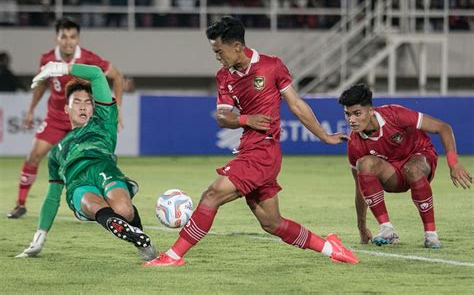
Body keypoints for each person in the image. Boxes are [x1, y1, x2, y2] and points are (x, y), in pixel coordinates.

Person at [143, 16, 359, 267]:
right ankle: (330, 247)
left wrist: (324, 136)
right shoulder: (224, 76)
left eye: (219, 51)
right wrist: (246, 119)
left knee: (212, 195)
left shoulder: (272, 66)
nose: (217, 56)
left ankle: (172, 256)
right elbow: (223, 116)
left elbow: (297, 105)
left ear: (236, 47)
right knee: (272, 223)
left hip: (263, 152)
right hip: (251, 150)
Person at [16, 62, 156, 261]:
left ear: (93, 106)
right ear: (66, 108)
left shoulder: (103, 121)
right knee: (90, 203)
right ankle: (137, 237)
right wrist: (40, 236)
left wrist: (58, 68)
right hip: (78, 183)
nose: (83, 106)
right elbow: (52, 197)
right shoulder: (57, 151)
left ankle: (141, 241)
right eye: (77, 102)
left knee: (123, 210)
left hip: (103, 167)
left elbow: (97, 74)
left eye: (87, 102)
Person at [8, 16, 124, 219]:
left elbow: (116, 76)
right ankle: (20, 204)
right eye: (64, 37)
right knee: (34, 156)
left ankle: (97, 204)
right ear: (57, 39)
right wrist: (31, 109)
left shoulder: (88, 58)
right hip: (55, 118)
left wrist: (118, 109)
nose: (68, 41)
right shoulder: (47, 59)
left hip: (83, 120)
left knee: (92, 160)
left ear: (78, 39)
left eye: (72, 37)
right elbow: (42, 84)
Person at [338, 84, 472, 248]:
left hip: (420, 158)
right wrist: (361, 226)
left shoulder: (394, 114)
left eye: (357, 113)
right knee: (364, 164)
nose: (352, 120)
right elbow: (360, 188)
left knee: (413, 169)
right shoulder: (354, 144)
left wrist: (453, 163)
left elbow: (443, 128)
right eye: (347, 114)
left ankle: (431, 235)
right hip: (393, 174)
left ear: (371, 111)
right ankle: (387, 230)